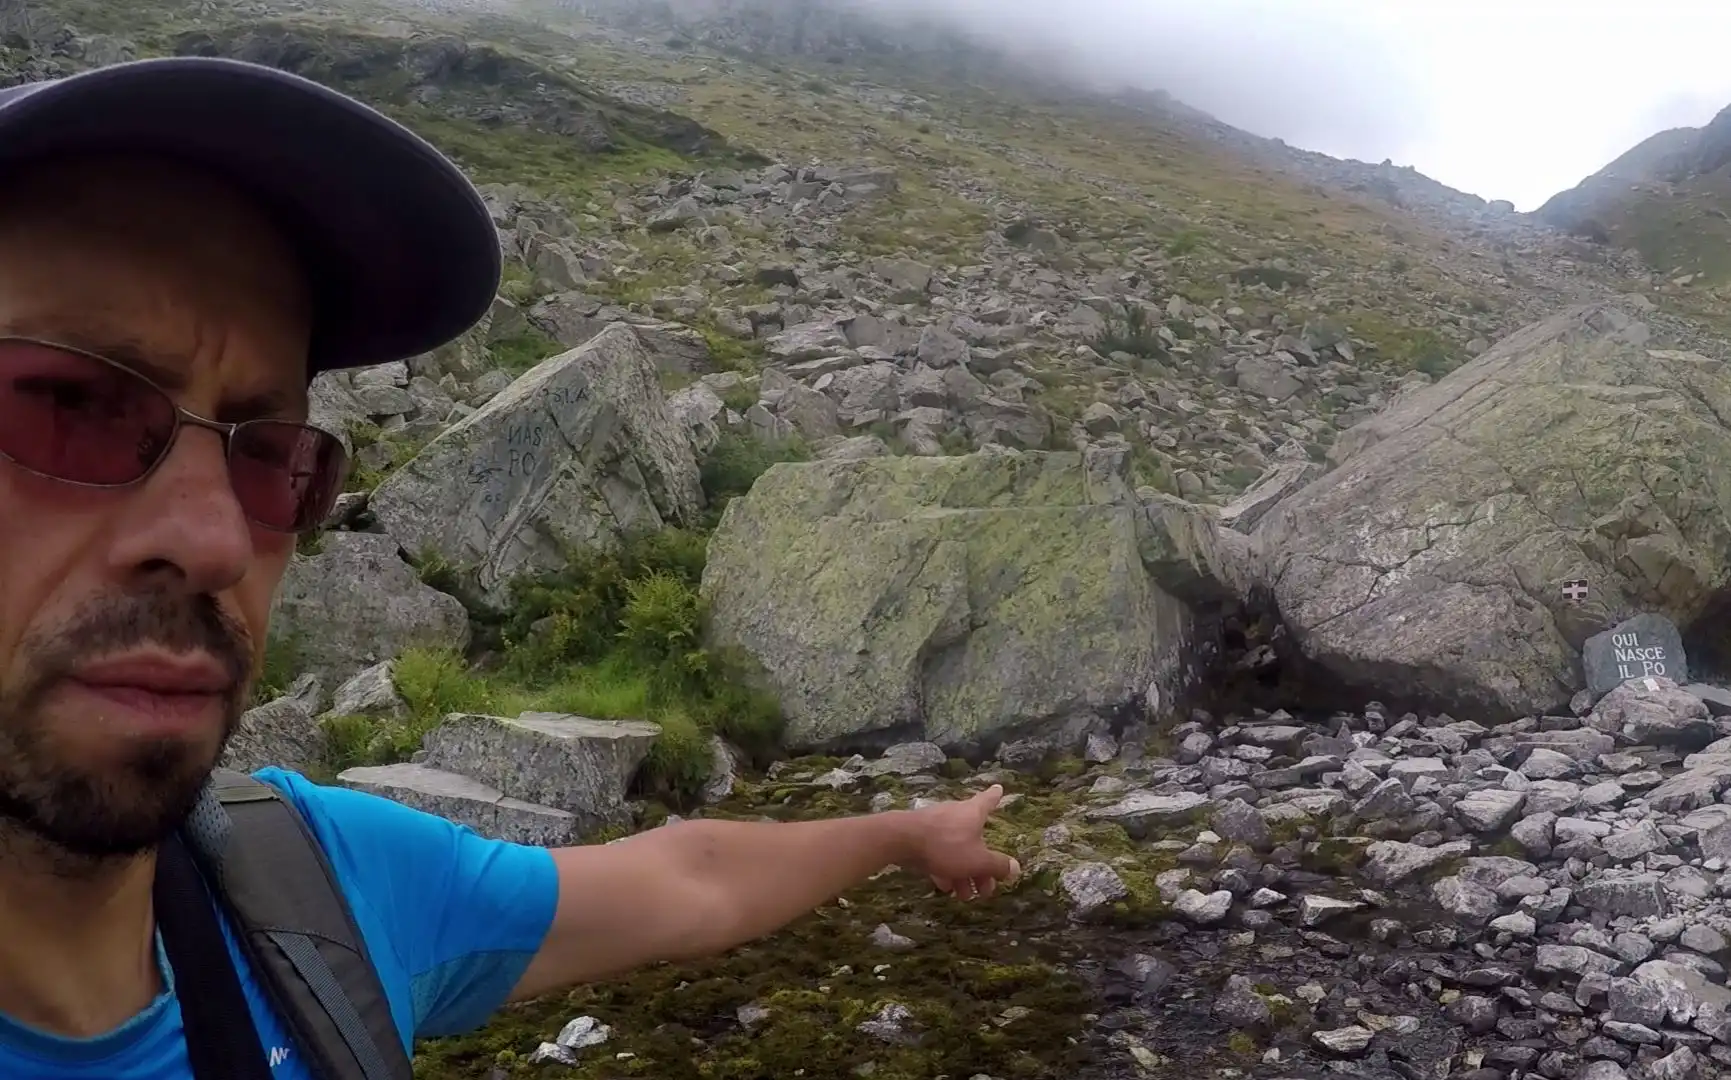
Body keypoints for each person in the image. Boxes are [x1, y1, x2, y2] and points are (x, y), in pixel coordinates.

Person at [0, 56, 1022, 1079]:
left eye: (271, 457)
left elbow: (687, 876)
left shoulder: (317, 888)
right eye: (70, 406)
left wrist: (908, 832)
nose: (217, 540)